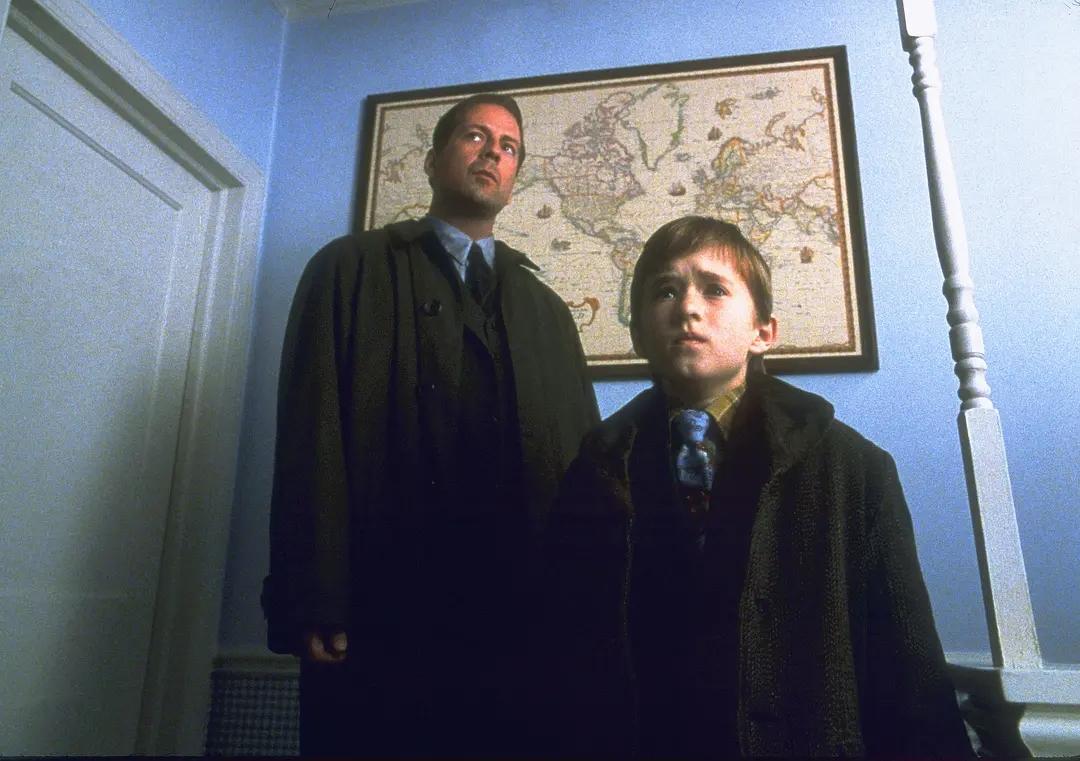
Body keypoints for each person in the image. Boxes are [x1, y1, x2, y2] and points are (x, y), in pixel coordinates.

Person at [541, 216, 972, 757]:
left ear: (762, 333)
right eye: (665, 291)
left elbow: (907, 666)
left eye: (715, 289)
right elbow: (563, 653)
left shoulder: (853, 470)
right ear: (638, 335)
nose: (687, 307)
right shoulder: (597, 467)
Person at [262, 93, 600, 757]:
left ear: (515, 175)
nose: (493, 152)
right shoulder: (348, 270)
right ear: (432, 159)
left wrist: (585, 605)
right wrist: (314, 594)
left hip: (520, 621)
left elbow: (581, 467)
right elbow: (310, 439)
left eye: (508, 147)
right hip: (382, 610)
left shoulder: (548, 311)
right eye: (475, 136)